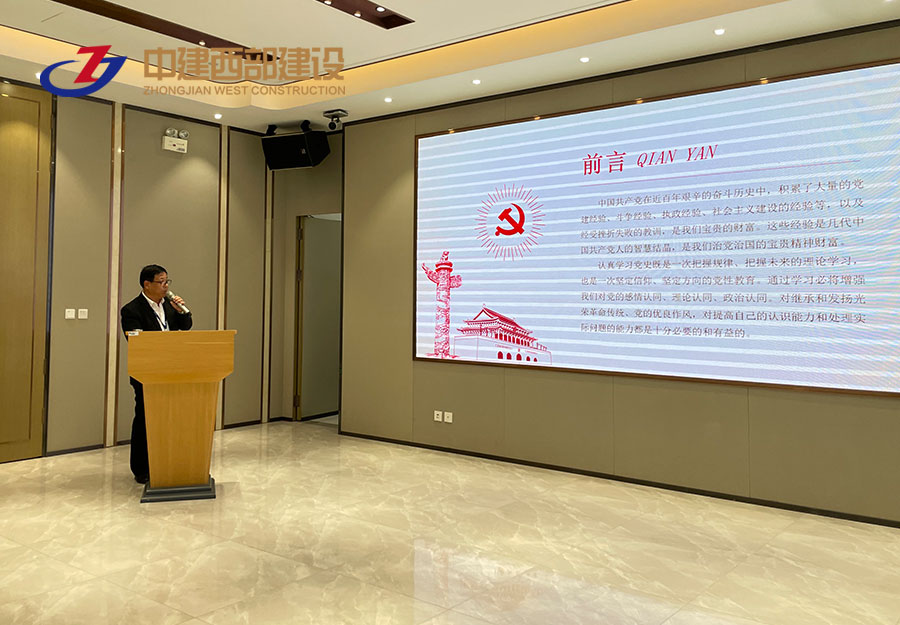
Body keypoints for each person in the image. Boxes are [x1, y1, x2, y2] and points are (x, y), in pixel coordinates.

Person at [120, 264, 192, 484]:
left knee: (171, 419)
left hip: (172, 371)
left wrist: (182, 311)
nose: (166, 286)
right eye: (161, 282)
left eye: (167, 281)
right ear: (147, 284)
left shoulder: (169, 306)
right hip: (146, 373)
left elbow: (186, 327)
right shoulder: (131, 310)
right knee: (145, 419)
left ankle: (168, 462)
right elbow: (136, 341)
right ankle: (141, 468)